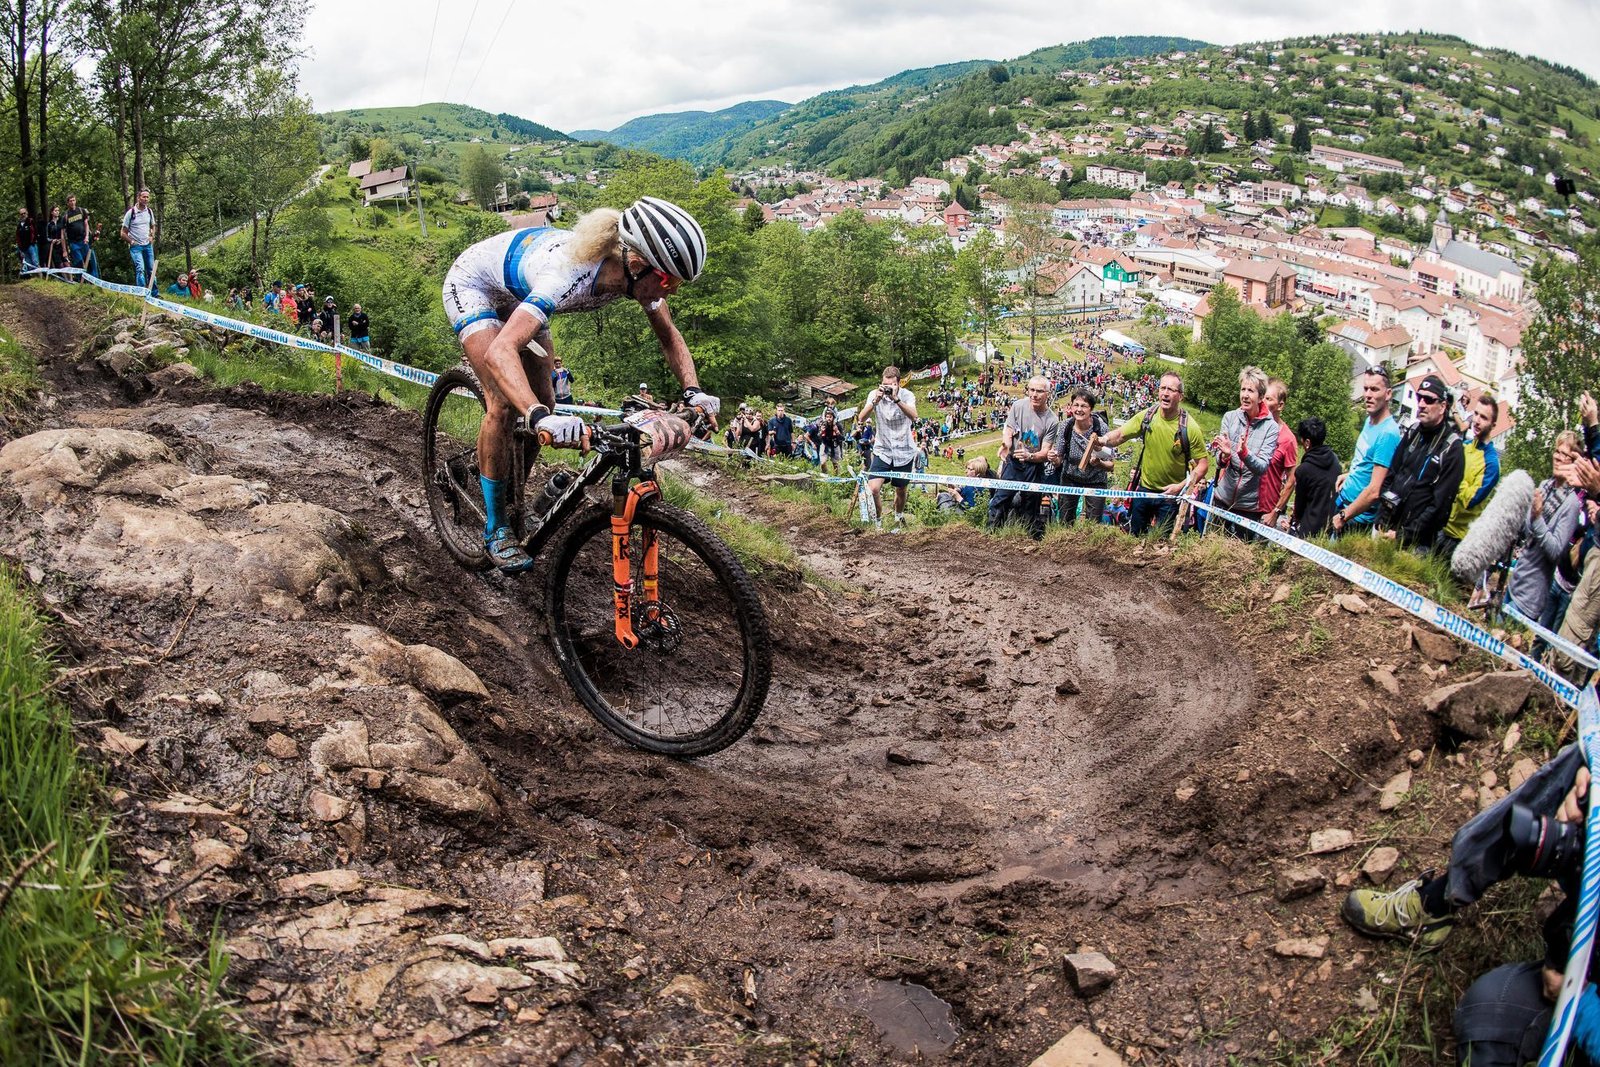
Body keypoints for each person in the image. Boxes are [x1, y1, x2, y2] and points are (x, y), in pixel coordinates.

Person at [440, 196, 715, 571]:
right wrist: (537, 418)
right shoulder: (567, 275)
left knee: (547, 399)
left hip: (521, 295)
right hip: (475, 285)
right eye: (668, 280)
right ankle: (496, 527)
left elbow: (669, 336)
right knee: (505, 404)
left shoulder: (637, 278)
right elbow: (501, 351)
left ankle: (507, 484)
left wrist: (694, 392)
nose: (673, 290)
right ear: (635, 264)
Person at [1097, 372, 1207, 536]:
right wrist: (1103, 440)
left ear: (1180, 396)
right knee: (1134, 536)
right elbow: (1121, 435)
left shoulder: (1190, 428)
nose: (1165, 393)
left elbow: (1203, 465)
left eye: (1171, 389)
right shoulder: (1148, 415)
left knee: (1160, 542)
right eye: (1162, 388)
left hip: (1170, 495)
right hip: (1145, 489)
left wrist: (1181, 486)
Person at [1381, 373, 1465, 552]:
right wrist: (1382, 515)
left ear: (1442, 406)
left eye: (1428, 400)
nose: (1421, 404)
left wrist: (1404, 535)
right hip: (1387, 527)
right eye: (1419, 398)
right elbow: (1392, 474)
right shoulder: (1413, 432)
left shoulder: (1452, 449)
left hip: (1417, 544)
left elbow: (1440, 506)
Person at [1506, 431, 1582, 626]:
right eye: (1557, 451)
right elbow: (1527, 531)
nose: (1558, 457)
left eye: (1565, 455)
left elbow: (1555, 551)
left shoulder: (1572, 504)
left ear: (1574, 463)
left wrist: (1538, 517)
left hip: (1530, 597)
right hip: (1515, 581)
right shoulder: (1545, 486)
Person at [1209, 366, 1281, 535]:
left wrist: (1245, 454)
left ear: (1261, 397)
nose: (1245, 395)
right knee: (1213, 546)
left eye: (1251, 391)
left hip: (1249, 505)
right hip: (1223, 497)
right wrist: (1224, 455)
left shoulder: (1271, 428)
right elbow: (1218, 461)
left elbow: (1262, 468)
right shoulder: (1229, 417)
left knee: (1240, 555)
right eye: (1243, 389)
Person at [1331, 368, 1402, 535]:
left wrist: (1344, 516)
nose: (1368, 395)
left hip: (1356, 517)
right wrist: (1350, 475)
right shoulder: (1370, 420)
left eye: (1375, 389)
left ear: (1388, 394)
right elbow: (1367, 462)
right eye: (1366, 388)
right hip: (1344, 503)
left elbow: (1375, 490)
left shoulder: (1388, 434)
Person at [988, 376, 1060, 539]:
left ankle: (1029, 539)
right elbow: (1009, 429)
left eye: (1039, 391)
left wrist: (1030, 455)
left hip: (1034, 465)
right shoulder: (1018, 406)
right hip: (1013, 462)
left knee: (1031, 503)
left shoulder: (1052, 420)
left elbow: (1045, 452)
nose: (1034, 394)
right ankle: (991, 536)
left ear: (1047, 393)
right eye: (1031, 390)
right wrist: (1006, 445)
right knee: (1001, 499)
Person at [1437, 395, 1502, 561]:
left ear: (1493, 425)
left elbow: (1471, 500)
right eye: (1476, 414)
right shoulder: (1464, 447)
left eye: (1484, 417)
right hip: (1439, 525)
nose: (1477, 421)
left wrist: (1455, 478)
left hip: (1458, 539)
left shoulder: (1492, 464)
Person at [859, 367, 917, 529]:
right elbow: (861, 418)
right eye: (885, 384)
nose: (887, 388)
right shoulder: (874, 394)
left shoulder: (907, 395)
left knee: (900, 490)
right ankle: (878, 522)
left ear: (899, 384)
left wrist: (897, 399)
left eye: (891, 385)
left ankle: (898, 517)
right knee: (873, 489)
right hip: (882, 450)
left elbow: (914, 415)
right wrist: (874, 402)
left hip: (904, 450)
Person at [1050, 389, 1113, 526]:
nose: (1079, 409)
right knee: (1065, 520)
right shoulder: (1065, 426)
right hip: (1070, 477)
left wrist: (1099, 464)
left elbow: (1111, 465)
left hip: (1096, 479)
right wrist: (1054, 458)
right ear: (1071, 407)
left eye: (1083, 406)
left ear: (1091, 409)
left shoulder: (1101, 428)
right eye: (1076, 405)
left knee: (1093, 523)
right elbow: (1059, 458)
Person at [1279, 416, 1341, 538]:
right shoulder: (1335, 460)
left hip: (1309, 528)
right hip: (1330, 525)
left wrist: (1293, 522)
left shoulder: (1304, 470)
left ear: (1307, 442)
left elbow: (1299, 506)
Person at [1259, 378, 1300, 532]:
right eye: (1262, 396)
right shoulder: (1253, 426)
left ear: (1280, 405)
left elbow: (1291, 479)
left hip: (1265, 509)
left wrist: (1275, 512)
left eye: (1268, 399)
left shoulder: (1287, 439)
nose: (1263, 401)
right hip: (1243, 504)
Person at [119, 188, 155, 292]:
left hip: (147, 245)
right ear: (139, 198)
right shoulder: (131, 213)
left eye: (147, 197)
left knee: (151, 270)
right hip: (136, 247)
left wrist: (152, 236)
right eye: (144, 197)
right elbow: (122, 233)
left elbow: (153, 226)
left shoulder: (149, 211)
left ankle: (154, 293)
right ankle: (141, 292)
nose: (146, 199)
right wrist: (131, 242)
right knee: (140, 269)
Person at [809, 409, 846, 476]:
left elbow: (842, 438)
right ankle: (825, 475)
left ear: (833, 418)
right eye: (827, 417)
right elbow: (818, 437)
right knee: (822, 462)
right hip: (825, 444)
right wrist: (821, 432)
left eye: (830, 417)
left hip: (834, 444)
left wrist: (837, 432)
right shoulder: (823, 425)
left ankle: (836, 476)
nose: (828, 419)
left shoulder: (838, 425)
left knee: (836, 463)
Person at [14, 207, 37, 271]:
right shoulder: (19, 225)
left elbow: (35, 232)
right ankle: (33, 278)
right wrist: (20, 247)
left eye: (24, 213)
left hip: (31, 245)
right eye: (21, 214)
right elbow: (17, 236)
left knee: (35, 261)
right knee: (28, 263)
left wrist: (33, 242)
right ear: (20, 215)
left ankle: (39, 276)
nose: (23, 215)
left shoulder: (30, 221)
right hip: (23, 247)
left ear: (27, 213)